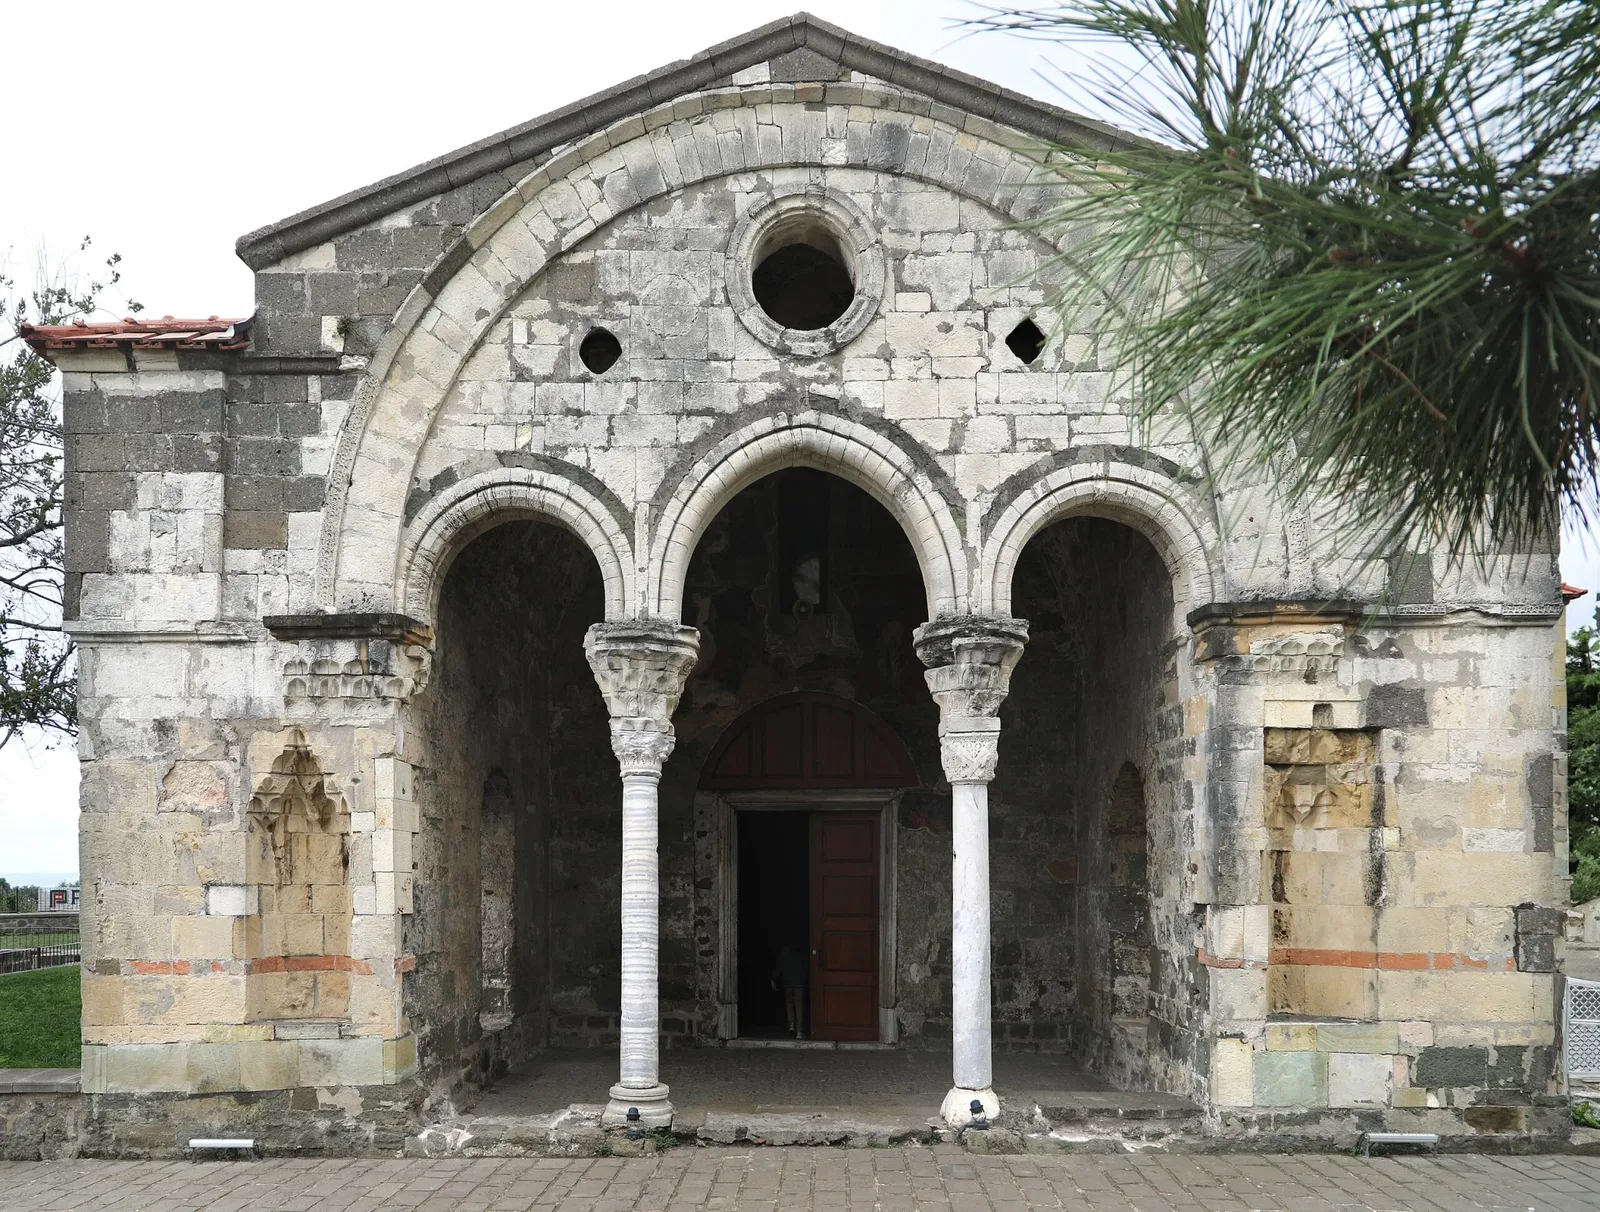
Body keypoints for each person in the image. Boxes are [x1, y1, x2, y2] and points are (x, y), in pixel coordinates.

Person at [769, 942, 809, 1038]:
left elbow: (779, 967)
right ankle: (799, 1032)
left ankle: (791, 1027)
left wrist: (772, 978)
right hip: (799, 982)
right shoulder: (802, 954)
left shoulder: (784, 953)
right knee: (799, 1006)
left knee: (789, 1004)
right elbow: (807, 968)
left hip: (787, 982)